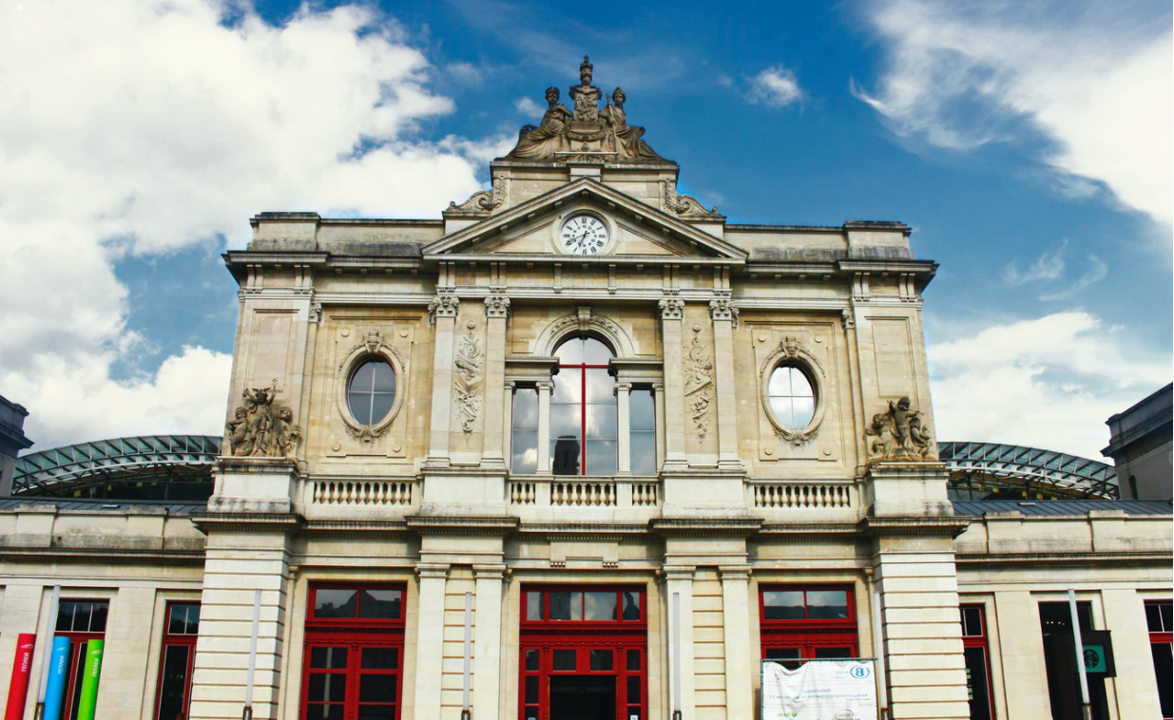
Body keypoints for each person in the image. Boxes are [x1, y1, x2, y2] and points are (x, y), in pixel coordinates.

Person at [507, 86, 571, 160]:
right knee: (525, 133)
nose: (552, 98)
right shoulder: (547, 113)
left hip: (556, 127)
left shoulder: (559, 107)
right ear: (547, 98)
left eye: (554, 97)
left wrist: (561, 108)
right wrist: (530, 126)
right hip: (547, 129)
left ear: (557, 98)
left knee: (529, 136)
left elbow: (570, 114)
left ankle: (519, 153)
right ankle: (519, 152)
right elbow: (542, 127)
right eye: (550, 96)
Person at [599, 87, 662, 161]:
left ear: (623, 99)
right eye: (616, 97)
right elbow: (600, 113)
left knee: (634, 131)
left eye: (620, 97)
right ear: (613, 99)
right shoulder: (610, 108)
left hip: (621, 129)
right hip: (614, 128)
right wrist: (608, 117)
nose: (618, 99)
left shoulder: (622, 112)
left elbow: (623, 123)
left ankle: (633, 147)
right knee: (634, 129)